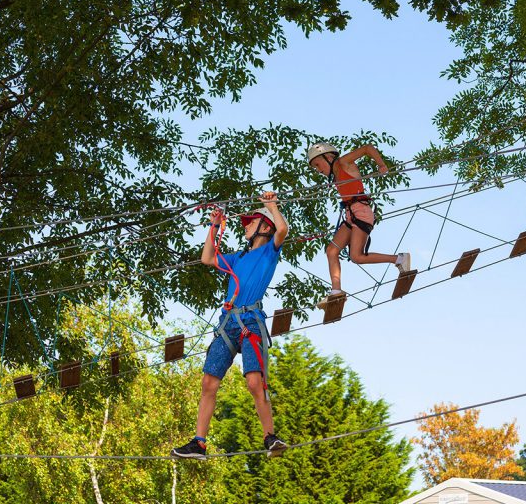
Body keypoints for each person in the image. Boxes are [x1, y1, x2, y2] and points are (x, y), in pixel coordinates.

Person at [171, 191, 289, 459]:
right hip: (228, 323)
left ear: (264, 227)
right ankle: (199, 443)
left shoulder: (270, 251)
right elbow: (207, 258)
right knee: (208, 382)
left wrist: (271, 205)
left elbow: (283, 228)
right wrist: (214, 225)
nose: (245, 226)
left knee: (254, 381)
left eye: (250, 222)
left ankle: (270, 437)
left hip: (251, 320)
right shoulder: (237, 258)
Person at [307, 142, 411, 309]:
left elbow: (367, 148)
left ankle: (399, 259)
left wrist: (381, 164)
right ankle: (336, 292)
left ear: (328, 157)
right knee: (331, 251)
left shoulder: (343, 163)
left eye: (317, 165)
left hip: (361, 213)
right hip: (351, 216)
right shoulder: (336, 176)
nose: (318, 170)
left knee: (357, 257)